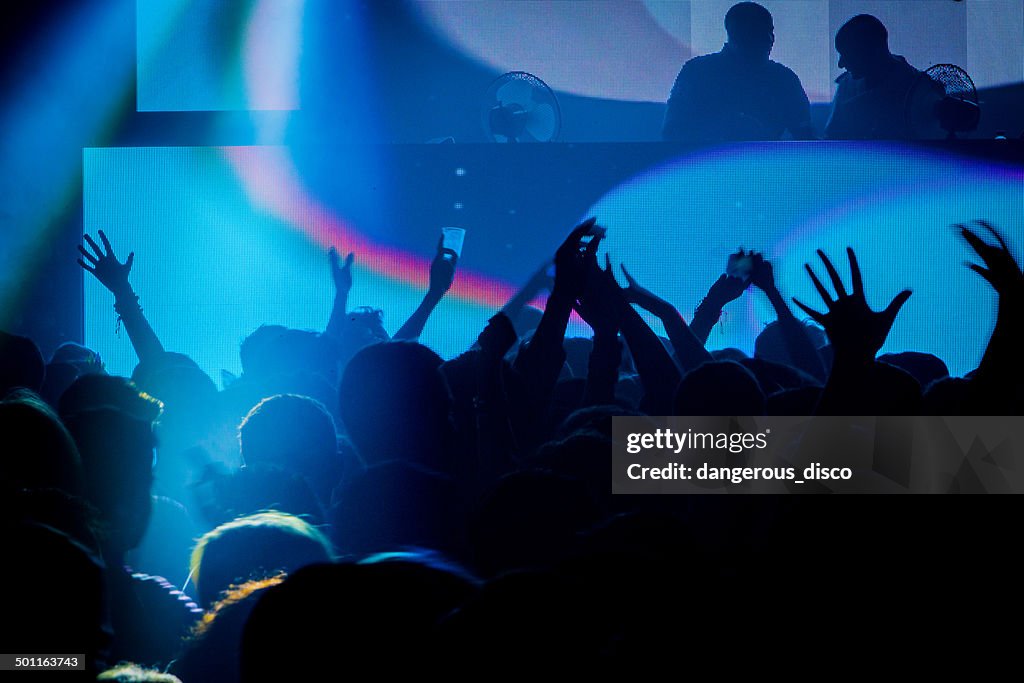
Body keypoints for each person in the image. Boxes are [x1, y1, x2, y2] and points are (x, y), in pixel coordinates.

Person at [663, 2, 814, 143]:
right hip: (708, 167)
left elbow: (805, 137)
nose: (769, 39)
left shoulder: (785, 79)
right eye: (756, 32)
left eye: (769, 31)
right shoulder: (696, 73)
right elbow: (673, 131)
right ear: (735, 33)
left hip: (764, 167)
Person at [825, 14, 922, 139]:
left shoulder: (920, 89)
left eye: (848, 54)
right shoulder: (846, 86)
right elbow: (832, 138)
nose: (840, 64)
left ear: (874, 51)